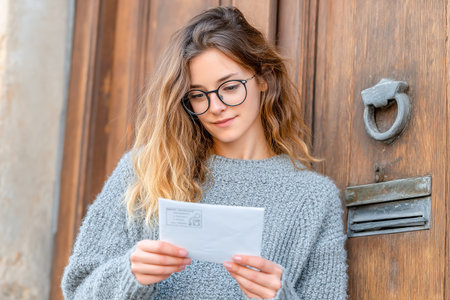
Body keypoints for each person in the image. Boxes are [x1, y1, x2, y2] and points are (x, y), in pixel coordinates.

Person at [61, 6, 347, 300]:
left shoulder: (313, 198)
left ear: (265, 79)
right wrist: (128, 275)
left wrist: (282, 297)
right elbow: (77, 290)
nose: (216, 106)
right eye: (198, 95)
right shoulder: (145, 170)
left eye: (230, 87)